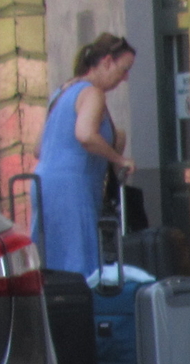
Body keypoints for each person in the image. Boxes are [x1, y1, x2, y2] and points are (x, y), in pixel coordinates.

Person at [34, 34, 136, 276]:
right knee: (80, 266)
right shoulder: (93, 93)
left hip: (43, 185)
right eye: (123, 70)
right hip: (73, 188)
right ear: (107, 62)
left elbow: (39, 148)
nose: (125, 77)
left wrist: (114, 140)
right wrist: (119, 159)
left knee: (53, 264)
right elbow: (86, 135)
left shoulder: (61, 92)